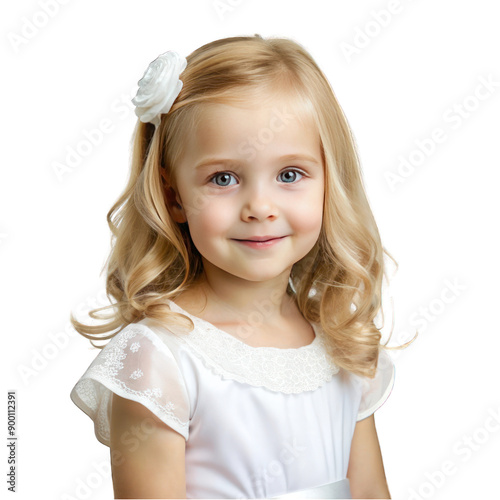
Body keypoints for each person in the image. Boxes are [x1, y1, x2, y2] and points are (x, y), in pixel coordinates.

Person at [69, 34, 415, 499]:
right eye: (224, 178)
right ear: (173, 196)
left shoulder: (341, 342)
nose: (260, 206)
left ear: (329, 180)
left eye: (289, 175)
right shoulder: (160, 359)